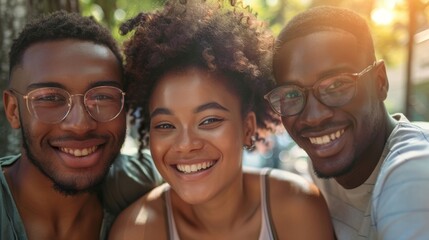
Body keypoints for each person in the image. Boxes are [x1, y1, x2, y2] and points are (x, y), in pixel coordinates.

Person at [108, 1, 335, 239]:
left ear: (247, 128)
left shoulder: (296, 208)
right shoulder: (136, 231)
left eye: (209, 121)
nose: (185, 144)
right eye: (165, 125)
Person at [265, 5, 429, 239]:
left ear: (380, 82)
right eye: (291, 94)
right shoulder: (324, 176)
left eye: (336, 85)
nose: (314, 116)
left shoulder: (413, 169)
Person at [1, 11, 160, 240]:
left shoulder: (132, 182)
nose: (80, 125)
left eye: (103, 97)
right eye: (50, 98)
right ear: (13, 110)